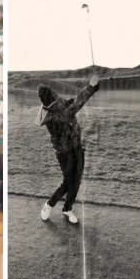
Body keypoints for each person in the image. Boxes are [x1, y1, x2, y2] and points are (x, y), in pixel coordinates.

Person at [37, 76, 100, 224]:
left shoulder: (55, 104)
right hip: (64, 153)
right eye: (54, 95)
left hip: (76, 146)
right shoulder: (54, 115)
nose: (57, 96)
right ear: (50, 100)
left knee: (76, 181)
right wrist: (91, 87)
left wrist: (94, 87)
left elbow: (70, 102)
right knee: (68, 182)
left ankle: (67, 208)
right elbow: (75, 106)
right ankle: (49, 205)